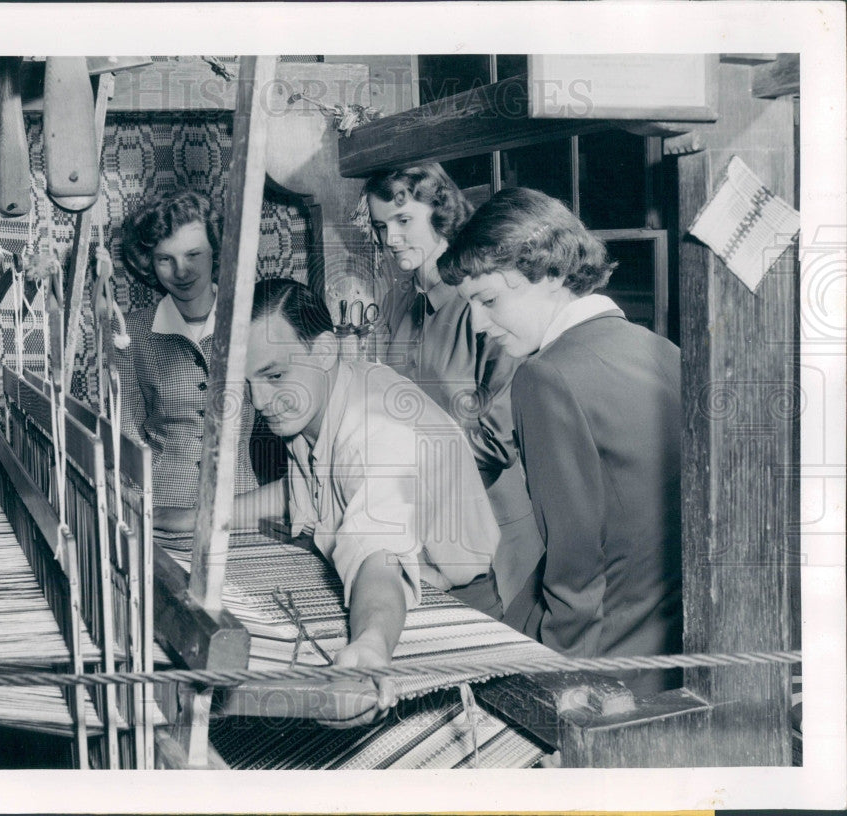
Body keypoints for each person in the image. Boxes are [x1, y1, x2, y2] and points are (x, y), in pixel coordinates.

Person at [159, 278, 501, 706]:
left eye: (274, 375)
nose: (260, 402)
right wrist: (199, 516)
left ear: (323, 349)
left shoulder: (380, 431)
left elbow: (379, 560)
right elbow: (314, 489)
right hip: (400, 601)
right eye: (247, 385)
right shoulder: (318, 396)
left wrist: (372, 645)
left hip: (449, 613)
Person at [439, 187, 683, 692]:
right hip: (674, 637)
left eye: (489, 301)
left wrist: (556, 691)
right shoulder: (661, 348)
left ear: (551, 275)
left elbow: (576, 571)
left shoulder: (545, 377)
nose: (479, 325)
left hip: (610, 656)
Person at [355, 163, 544, 623]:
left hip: (493, 538)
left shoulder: (483, 303)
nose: (391, 239)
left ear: (440, 214)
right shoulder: (398, 301)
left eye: (404, 222)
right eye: (382, 227)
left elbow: (498, 440)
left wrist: (401, 471)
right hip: (421, 524)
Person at [116, 188, 264, 511]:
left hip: (242, 508)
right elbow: (127, 432)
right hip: (162, 510)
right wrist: (138, 503)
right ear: (149, 263)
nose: (181, 271)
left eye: (193, 254)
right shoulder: (130, 332)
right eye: (165, 259)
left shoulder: (252, 322)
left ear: (216, 252)